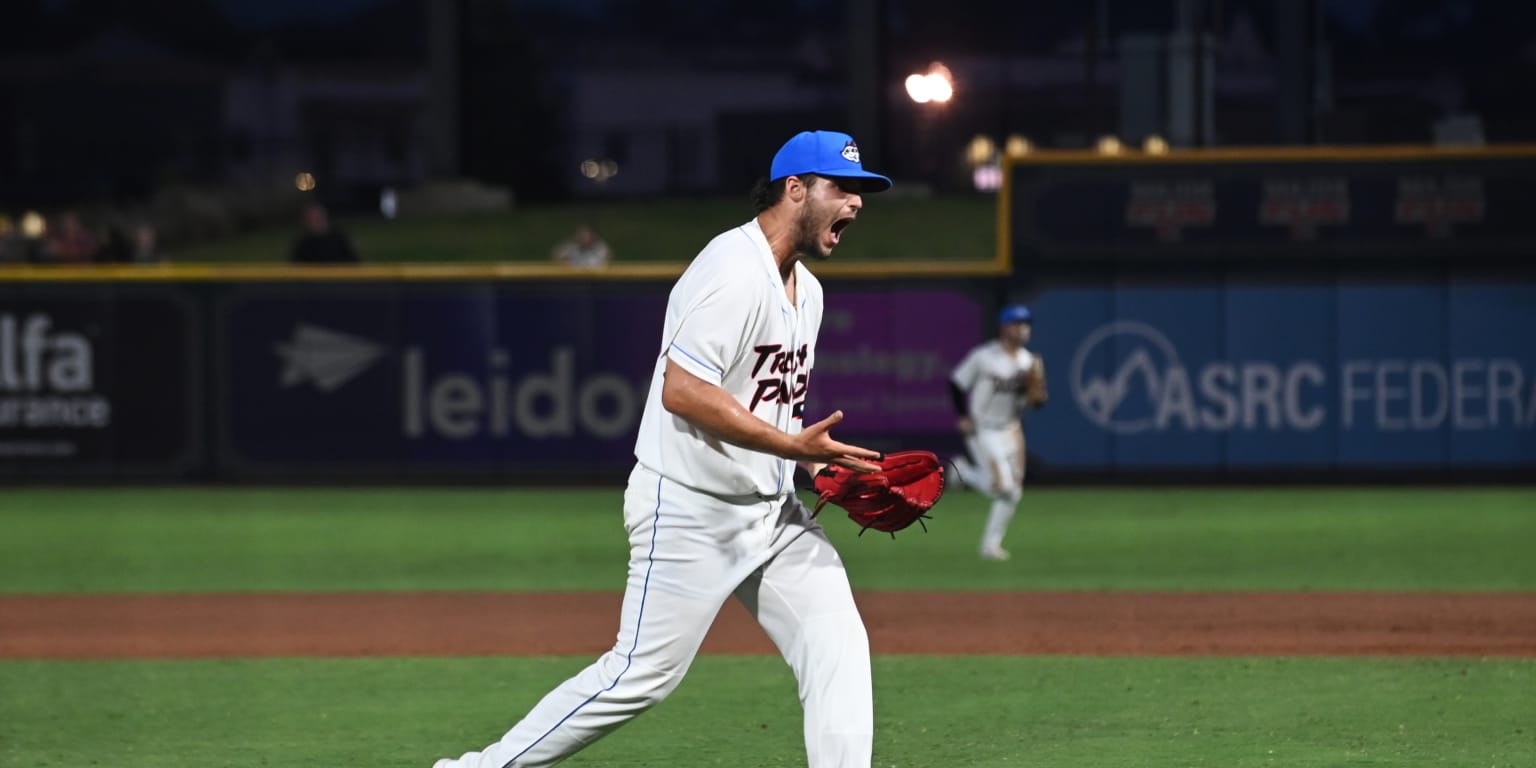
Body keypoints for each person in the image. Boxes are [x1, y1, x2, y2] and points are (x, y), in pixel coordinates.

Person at [429, 129, 893, 768]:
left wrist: (808, 458)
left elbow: (762, 406)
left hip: (771, 514)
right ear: (795, 189)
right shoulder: (731, 269)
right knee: (637, 678)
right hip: (690, 510)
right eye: (843, 189)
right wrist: (789, 442)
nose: (858, 203)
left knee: (837, 642)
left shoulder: (807, 292)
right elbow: (684, 390)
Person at [947, 304, 1048, 561]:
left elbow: (1034, 402)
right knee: (1003, 487)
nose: (1023, 329)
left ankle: (990, 545)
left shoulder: (1028, 361)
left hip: (1012, 429)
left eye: (1026, 324)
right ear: (1005, 328)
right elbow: (956, 383)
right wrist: (962, 416)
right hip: (984, 428)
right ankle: (964, 471)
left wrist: (1037, 396)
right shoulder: (985, 356)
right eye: (1017, 324)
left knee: (1013, 492)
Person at [289, 202, 359, 263]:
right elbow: (296, 265)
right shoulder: (303, 242)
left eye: (318, 217)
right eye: (312, 218)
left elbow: (353, 261)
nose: (316, 221)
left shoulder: (339, 237)